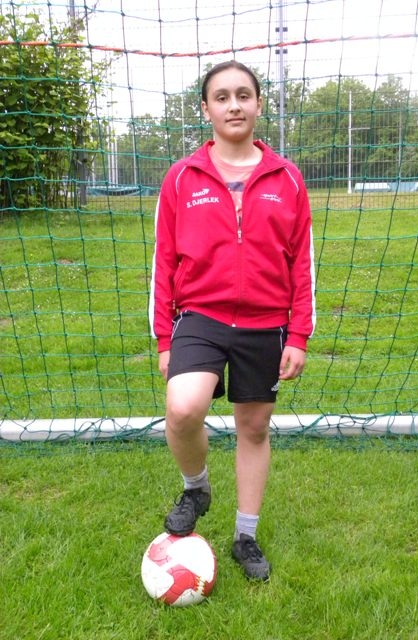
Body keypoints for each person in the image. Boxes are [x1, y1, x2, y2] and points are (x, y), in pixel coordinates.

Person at [149, 60, 315, 581]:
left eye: (244, 95)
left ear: (259, 104)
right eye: (221, 97)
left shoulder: (287, 178)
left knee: (254, 426)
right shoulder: (182, 177)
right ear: (206, 109)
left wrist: (299, 334)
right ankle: (196, 488)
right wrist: (163, 338)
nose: (234, 105)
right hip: (201, 315)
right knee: (183, 407)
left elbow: (302, 263)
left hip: (267, 321)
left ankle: (246, 535)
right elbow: (164, 261)